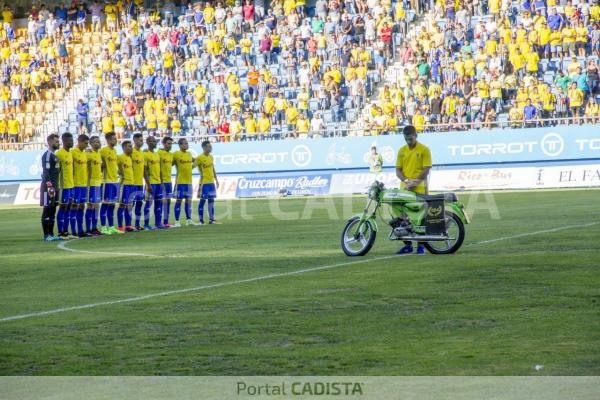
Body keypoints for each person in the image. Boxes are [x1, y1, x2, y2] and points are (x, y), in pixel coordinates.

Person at [395, 125, 432, 255]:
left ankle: (421, 246)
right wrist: (406, 181)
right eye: (406, 139)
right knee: (401, 218)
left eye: (411, 139)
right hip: (404, 189)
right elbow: (398, 170)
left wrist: (414, 182)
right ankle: (408, 245)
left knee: (420, 219)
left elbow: (426, 169)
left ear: (416, 136)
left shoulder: (424, 150)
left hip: (420, 188)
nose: (408, 141)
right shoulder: (401, 151)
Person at [172, 138, 198, 227]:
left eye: (187, 143)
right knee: (178, 201)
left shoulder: (189, 154)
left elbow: (195, 161)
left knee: (188, 202)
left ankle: (188, 220)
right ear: (180, 145)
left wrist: (193, 166)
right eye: (185, 144)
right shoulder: (176, 154)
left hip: (189, 182)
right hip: (180, 183)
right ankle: (177, 221)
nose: (187, 145)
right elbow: (170, 163)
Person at [40, 134, 62, 241]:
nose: (58, 143)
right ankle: (46, 235)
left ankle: (52, 234)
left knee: (53, 210)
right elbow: (46, 172)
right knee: (47, 209)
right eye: (56, 141)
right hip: (48, 188)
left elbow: (58, 171)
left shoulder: (55, 156)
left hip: (55, 187)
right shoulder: (47, 155)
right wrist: (49, 185)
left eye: (58, 141)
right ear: (49, 143)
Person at [55, 132, 76, 239]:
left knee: (69, 208)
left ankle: (66, 232)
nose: (72, 142)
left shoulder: (70, 153)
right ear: (64, 141)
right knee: (63, 207)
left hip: (71, 186)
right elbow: (57, 171)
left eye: (72, 140)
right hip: (64, 187)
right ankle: (60, 232)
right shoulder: (59, 154)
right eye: (70, 140)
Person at [100, 132, 122, 235]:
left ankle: (112, 227)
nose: (115, 140)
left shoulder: (114, 151)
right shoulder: (103, 151)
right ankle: (104, 227)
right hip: (107, 182)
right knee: (105, 204)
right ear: (108, 140)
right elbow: (100, 165)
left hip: (115, 182)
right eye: (113, 139)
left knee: (112, 205)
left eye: (115, 138)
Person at [71, 134, 91, 238]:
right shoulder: (73, 152)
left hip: (83, 185)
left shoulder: (84, 154)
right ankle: (73, 231)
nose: (86, 145)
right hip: (75, 184)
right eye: (85, 143)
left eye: (87, 143)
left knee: (82, 207)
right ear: (79, 142)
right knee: (74, 206)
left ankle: (80, 230)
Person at [196, 140, 219, 224]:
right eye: (209, 146)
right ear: (204, 147)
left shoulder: (211, 157)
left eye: (211, 146)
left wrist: (216, 179)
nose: (211, 148)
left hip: (211, 182)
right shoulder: (199, 158)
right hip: (204, 183)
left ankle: (211, 219)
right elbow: (192, 166)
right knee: (202, 201)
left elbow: (213, 168)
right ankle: (201, 220)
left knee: (211, 201)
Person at [143, 135, 164, 230]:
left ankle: (158, 223)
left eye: (155, 141)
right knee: (148, 204)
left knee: (158, 204)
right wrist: (148, 184)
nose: (155, 143)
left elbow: (159, 170)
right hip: (151, 183)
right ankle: (146, 225)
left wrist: (162, 182)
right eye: (153, 141)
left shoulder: (157, 155)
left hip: (158, 183)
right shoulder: (145, 155)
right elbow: (145, 171)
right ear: (148, 143)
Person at [85, 136, 103, 236]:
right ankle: (88, 229)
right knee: (91, 205)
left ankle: (94, 228)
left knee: (97, 206)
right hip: (90, 183)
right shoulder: (88, 154)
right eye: (95, 142)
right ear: (91, 144)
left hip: (98, 183)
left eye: (98, 141)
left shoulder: (98, 154)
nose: (98, 143)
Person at [117, 141, 135, 232]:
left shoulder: (130, 158)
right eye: (129, 146)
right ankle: (120, 227)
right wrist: (120, 173)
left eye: (131, 146)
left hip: (131, 184)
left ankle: (128, 225)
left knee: (130, 206)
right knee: (122, 205)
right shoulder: (120, 157)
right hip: (124, 185)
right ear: (124, 148)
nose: (131, 148)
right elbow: (116, 169)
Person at [158, 136, 174, 228]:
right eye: (168, 143)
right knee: (161, 202)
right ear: (163, 144)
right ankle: (159, 222)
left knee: (168, 202)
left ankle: (166, 222)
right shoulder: (159, 153)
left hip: (169, 182)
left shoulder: (171, 155)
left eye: (171, 144)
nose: (170, 145)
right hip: (161, 182)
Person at [131, 133, 146, 230]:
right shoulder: (130, 151)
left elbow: (144, 169)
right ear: (135, 140)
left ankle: (137, 224)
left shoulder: (141, 153)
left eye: (142, 140)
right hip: (132, 183)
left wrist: (146, 182)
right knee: (130, 204)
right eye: (140, 140)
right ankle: (127, 224)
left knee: (139, 203)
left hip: (140, 183)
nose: (142, 142)